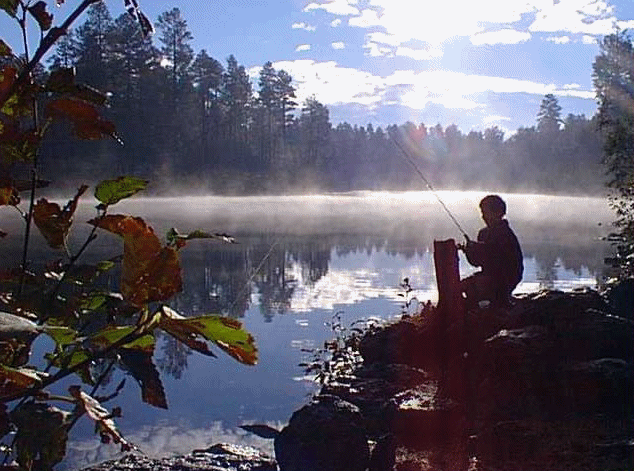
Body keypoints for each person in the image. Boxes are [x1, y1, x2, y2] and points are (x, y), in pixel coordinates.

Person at [458, 194, 523, 308]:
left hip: (507, 277)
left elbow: (493, 256)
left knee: (470, 286)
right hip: (489, 275)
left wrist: (476, 248)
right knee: (461, 286)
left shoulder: (505, 234)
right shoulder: (483, 233)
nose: (483, 216)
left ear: (499, 213)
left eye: (486, 212)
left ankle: (497, 305)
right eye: (482, 213)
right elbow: (476, 262)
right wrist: (468, 250)